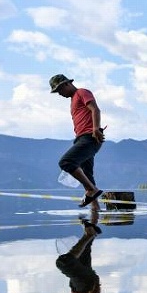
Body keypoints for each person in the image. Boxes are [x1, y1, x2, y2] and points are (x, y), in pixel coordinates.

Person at [49, 74, 104, 209]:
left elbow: (95, 109)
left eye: (60, 90)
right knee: (87, 174)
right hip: (81, 138)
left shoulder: (81, 92)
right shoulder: (73, 99)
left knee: (66, 162)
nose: (60, 94)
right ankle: (95, 210)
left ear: (67, 84)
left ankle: (91, 190)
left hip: (90, 137)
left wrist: (95, 128)